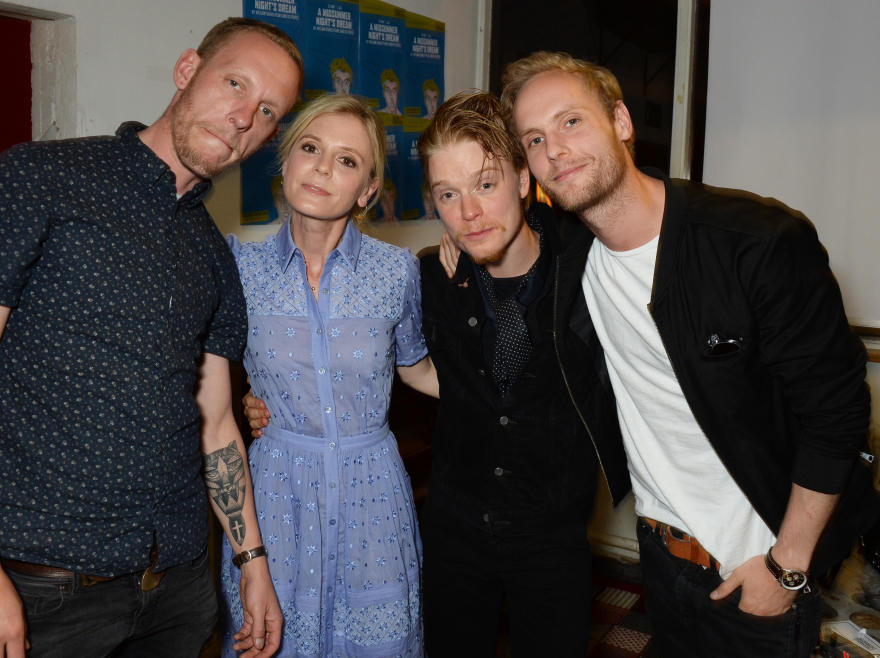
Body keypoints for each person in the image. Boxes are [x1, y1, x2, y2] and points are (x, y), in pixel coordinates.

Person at [0, 17, 302, 658]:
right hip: (49, 592)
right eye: (235, 83)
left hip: (180, 591)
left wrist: (251, 560)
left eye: (266, 111)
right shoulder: (38, 179)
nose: (243, 117)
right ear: (187, 72)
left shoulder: (214, 252)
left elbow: (215, 424)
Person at [494, 51, 878, 656]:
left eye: (572, 122)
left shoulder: (756, 242)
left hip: (756, 570)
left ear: (621, 120)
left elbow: (838, 418)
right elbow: (490, 221)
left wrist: (787, 569)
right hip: (661, 560)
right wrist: (457, 245)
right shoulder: (573, 254)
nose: (555, 150)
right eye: (535, 138)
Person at [244, 91, 630, 657]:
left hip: (553, 533)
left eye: (486, 184)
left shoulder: (588, 269)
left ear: (524, 179)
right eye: (449, 194)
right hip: (454, 531)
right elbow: (400, 362)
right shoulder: (426, 276)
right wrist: (267, 396)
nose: (469, 211)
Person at [219, 93, 438, 657]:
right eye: (310, 148)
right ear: (285, 162)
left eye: (347, 160)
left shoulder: (397, 271)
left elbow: (416, 369)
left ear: (367, 190)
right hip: (273, 499)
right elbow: (207, 387)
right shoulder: (238, 268)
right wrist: (251, 393)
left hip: (372, 499)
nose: (321, 166)